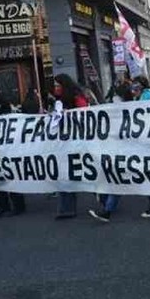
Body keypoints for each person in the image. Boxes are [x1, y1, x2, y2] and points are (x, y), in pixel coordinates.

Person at [89, 76, 150, 222]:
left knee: (134, 175)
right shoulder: (136, 99)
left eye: (136, 87)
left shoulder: (147, 96)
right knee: (124, 175)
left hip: (144, 145)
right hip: (134, 145)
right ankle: (108, 210)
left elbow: (146, 116)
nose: (133, 90)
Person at [54, 74, 89, 219]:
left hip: (78, 143)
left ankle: (106, 199)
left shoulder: (76, 97)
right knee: (65, 175)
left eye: (57, 85)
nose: (55, 88)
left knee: (87, 173)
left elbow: (85, 117)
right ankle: (66, 208)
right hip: (64, 143)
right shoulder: (59, 102)